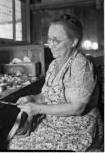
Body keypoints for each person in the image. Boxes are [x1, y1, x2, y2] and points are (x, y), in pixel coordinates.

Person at [8, 14, 104, 151]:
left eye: (56, 40)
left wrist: (37, 109)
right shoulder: (54, 64)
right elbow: (46, 95)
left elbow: (77, 108)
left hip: (78, 130)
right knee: (14, 144)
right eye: (49, 39)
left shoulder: (81, 65)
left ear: (74, 41)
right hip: (53, 124)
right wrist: (33, 98)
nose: (51, 44)